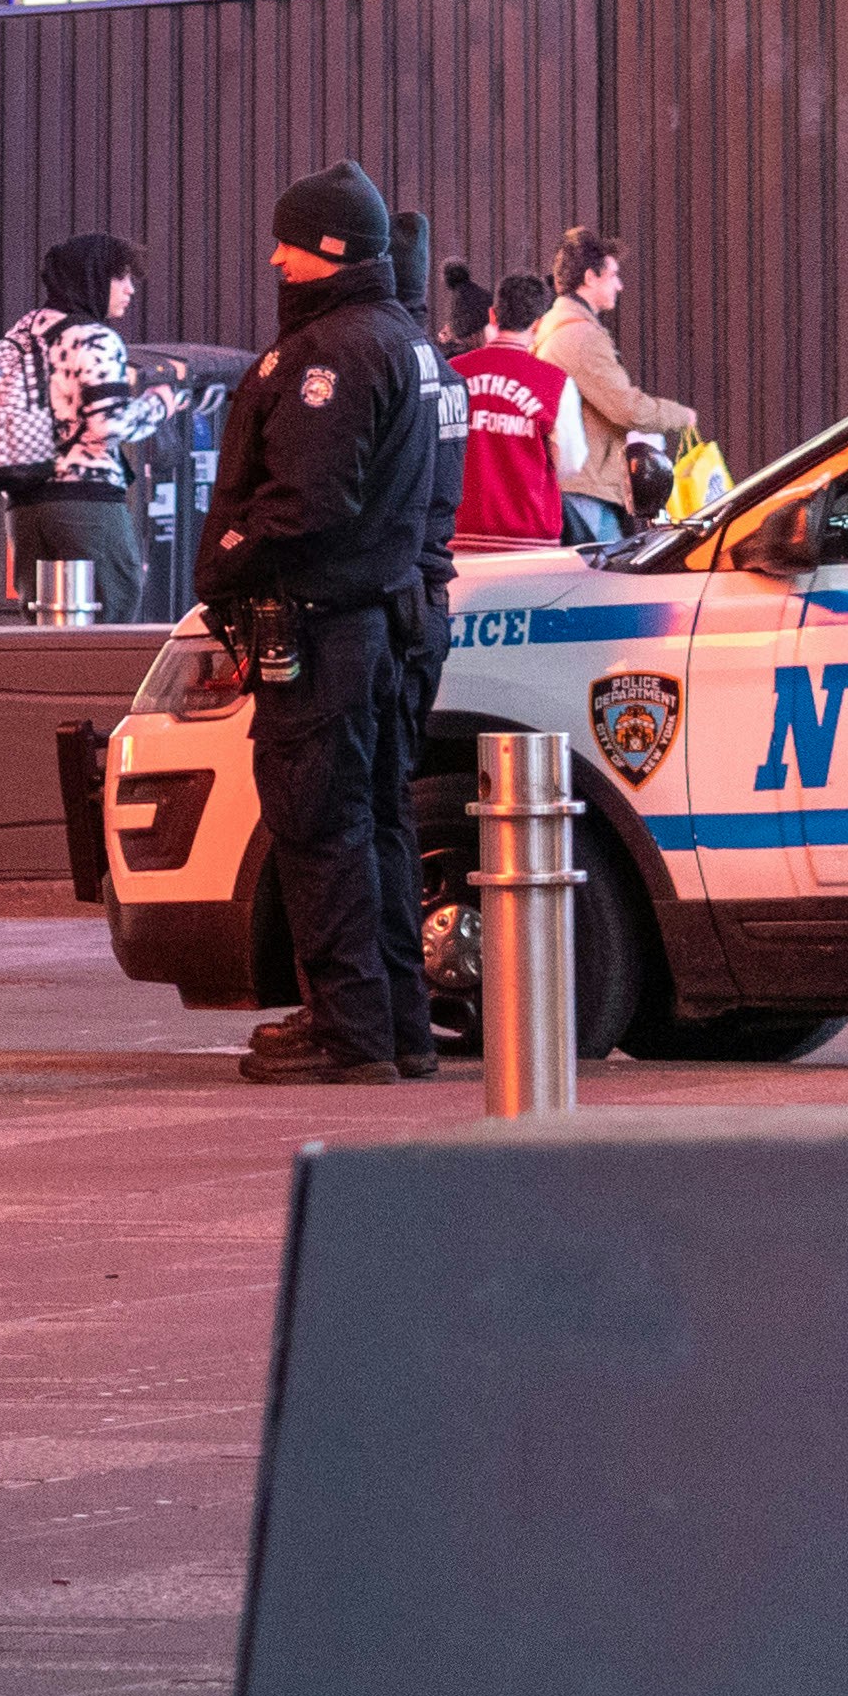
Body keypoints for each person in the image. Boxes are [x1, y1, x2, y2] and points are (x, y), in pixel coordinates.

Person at [197, 161, 440, 1087]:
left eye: (288, 243)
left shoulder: (329, 354)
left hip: (325, 627)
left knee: (318, 827)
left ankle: (347, 1029)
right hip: (376, 625)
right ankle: (396, 1024)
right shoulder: (402, 340)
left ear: (327, 249)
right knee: (376, 824)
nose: (274, 258)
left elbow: (308, 501)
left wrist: (225, 557)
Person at [0, 230, 171, 620]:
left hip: (25, 503)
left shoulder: (23, 333)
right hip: (87, 502)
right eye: (122, 278)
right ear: (94, 278)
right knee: (113, 609)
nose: (130, 290)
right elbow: (108, 424)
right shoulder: (93, 337)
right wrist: (161, 403)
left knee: (44, 621)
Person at [528, 228, 696, 548]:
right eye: (614, 275)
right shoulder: (580, 337)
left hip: (577, 486)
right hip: (587, 490)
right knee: (606, 585)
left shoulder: (554, 327)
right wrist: (680, 416)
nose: (620, 285)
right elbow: (625, 408)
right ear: (591, 277)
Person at [453, 270, 566, 556]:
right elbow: (569, 460)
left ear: (492, 316)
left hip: (460, 534)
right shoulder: (555, 382)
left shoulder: (453, 372)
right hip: (530, 540)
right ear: (539, 325)